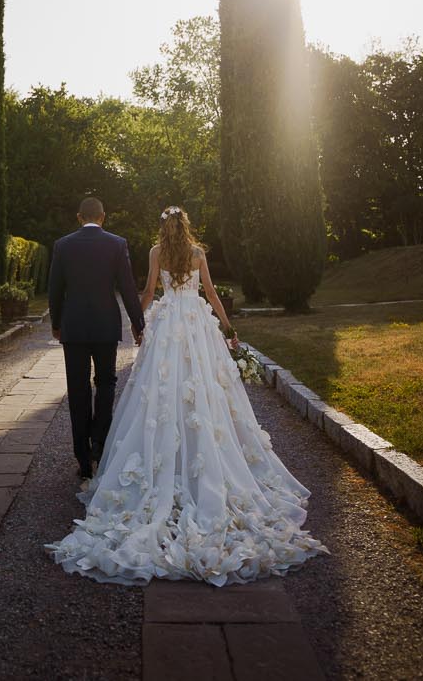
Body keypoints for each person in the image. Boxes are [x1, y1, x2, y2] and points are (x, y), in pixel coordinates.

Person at [46, 205, 327, 585]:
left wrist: (138, 321)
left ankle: (122, 458)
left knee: (157, 393)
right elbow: (210, 293)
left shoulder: (155, 253)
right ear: (186, 226)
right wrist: (228, 330)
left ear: (164, 228)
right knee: (204, 392)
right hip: (196, 328)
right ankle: (200, 455)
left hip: (166, 328)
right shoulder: (198, 254)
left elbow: (146, 291)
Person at [47, 196, 145, 481]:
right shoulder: (117, 244)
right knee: (106, 383)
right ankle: (99, 445)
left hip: (74, 328)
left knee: (77, 390)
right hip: (105, 327)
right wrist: (138, 324)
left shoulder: (63, 245)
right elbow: (128, 288)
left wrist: (56, 323)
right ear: (104, 216)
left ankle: (82, 457)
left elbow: (55, 290)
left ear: (80, 217)